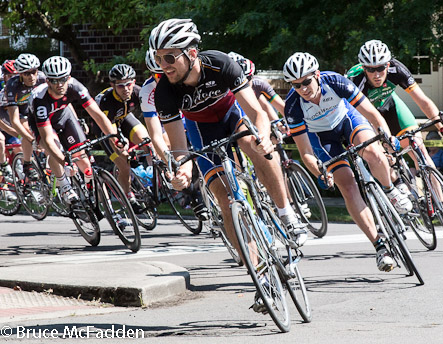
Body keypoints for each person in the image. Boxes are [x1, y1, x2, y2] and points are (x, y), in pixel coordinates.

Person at [148, 18, 306, 312]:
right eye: (158, 58)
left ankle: (286, 216)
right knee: (224, 199)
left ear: (191, 53)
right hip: (201, 130)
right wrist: (182, 170)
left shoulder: (220, 64)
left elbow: (256, 111)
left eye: (169, 57)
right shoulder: (164, 92)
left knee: (254, 146)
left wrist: (265, 137)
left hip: (231, 116)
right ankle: (260, 277)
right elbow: (180, 147)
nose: (163, 64)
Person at [282, 52, 413, 271]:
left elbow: (372, 113)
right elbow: (305, 152)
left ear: (316, 75)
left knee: (373, 152)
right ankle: (379, 246)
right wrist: (320, 173)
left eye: (306, 82)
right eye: (296, 85)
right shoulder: (293, 106)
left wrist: (387, 136)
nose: (303, 89)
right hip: (323, 139)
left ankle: (390, 191)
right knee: (347, 185)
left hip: (347, 121)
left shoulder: (334, 81)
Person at [347, 40, 443, 230]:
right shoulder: (354, 79)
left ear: (388, 64)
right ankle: (399, 184)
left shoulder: (397, 69)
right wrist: (382, 145)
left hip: (391, 108)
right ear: (363, 67)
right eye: (371, 69)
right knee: (383, 156)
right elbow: (356, 117)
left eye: (381, 68)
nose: (377, 75)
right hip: (366, 117)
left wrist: (441, 124)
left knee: (421, 153)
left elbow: (422, 100)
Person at [29, 56, 121, 204]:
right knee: (55, 147)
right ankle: (64, 186)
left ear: (69, 77)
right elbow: (47, 139)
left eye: (63, 79)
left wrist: (114, 138)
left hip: (63, 116)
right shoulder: (40, 100)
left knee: (83, 158)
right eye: (54, 80)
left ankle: (105, 206)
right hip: (43, 124)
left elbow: (97, 114)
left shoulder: (75, 86)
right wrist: (65, 162)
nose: (59, 84)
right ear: (47, 81)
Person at [139, 49, 208, 220]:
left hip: (187, 117)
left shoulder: (182, 79)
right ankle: (193, 196)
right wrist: (170, 161)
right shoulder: (148, 91)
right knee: (167, 144)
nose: (161, 78)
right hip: (166, 123)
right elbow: (155, 133)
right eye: (157, 74)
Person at [95, 63, 150, 205]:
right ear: (112, 85)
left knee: (148, 142)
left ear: (134, 82)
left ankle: (155, 178)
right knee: (124, 163)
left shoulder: (138, 92)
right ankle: (128, 196)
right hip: (105, 128)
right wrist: (120, 145)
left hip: (124, 118)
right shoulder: (107, 101)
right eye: (120, 85)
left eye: (128, 84)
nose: (126, 89)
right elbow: (111, 130)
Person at [6, 53, 46, 180]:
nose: (31, 76)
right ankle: (27, 164)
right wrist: (31, 139)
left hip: (39, 109)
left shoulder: (42, 78)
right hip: (23, 112)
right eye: (26, 73)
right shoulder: (12, 85)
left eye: (33, 72)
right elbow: (14, 120)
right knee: (26, 133)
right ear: (20, 74)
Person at [0, 60, 21, 183]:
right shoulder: (2, 90)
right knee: (1, 140)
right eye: (10, 76)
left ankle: (24, 178)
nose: (14, 79)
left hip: (11, 123)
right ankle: (4, 166)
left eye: (16, 76)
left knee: (20, 147)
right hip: (3, 123)